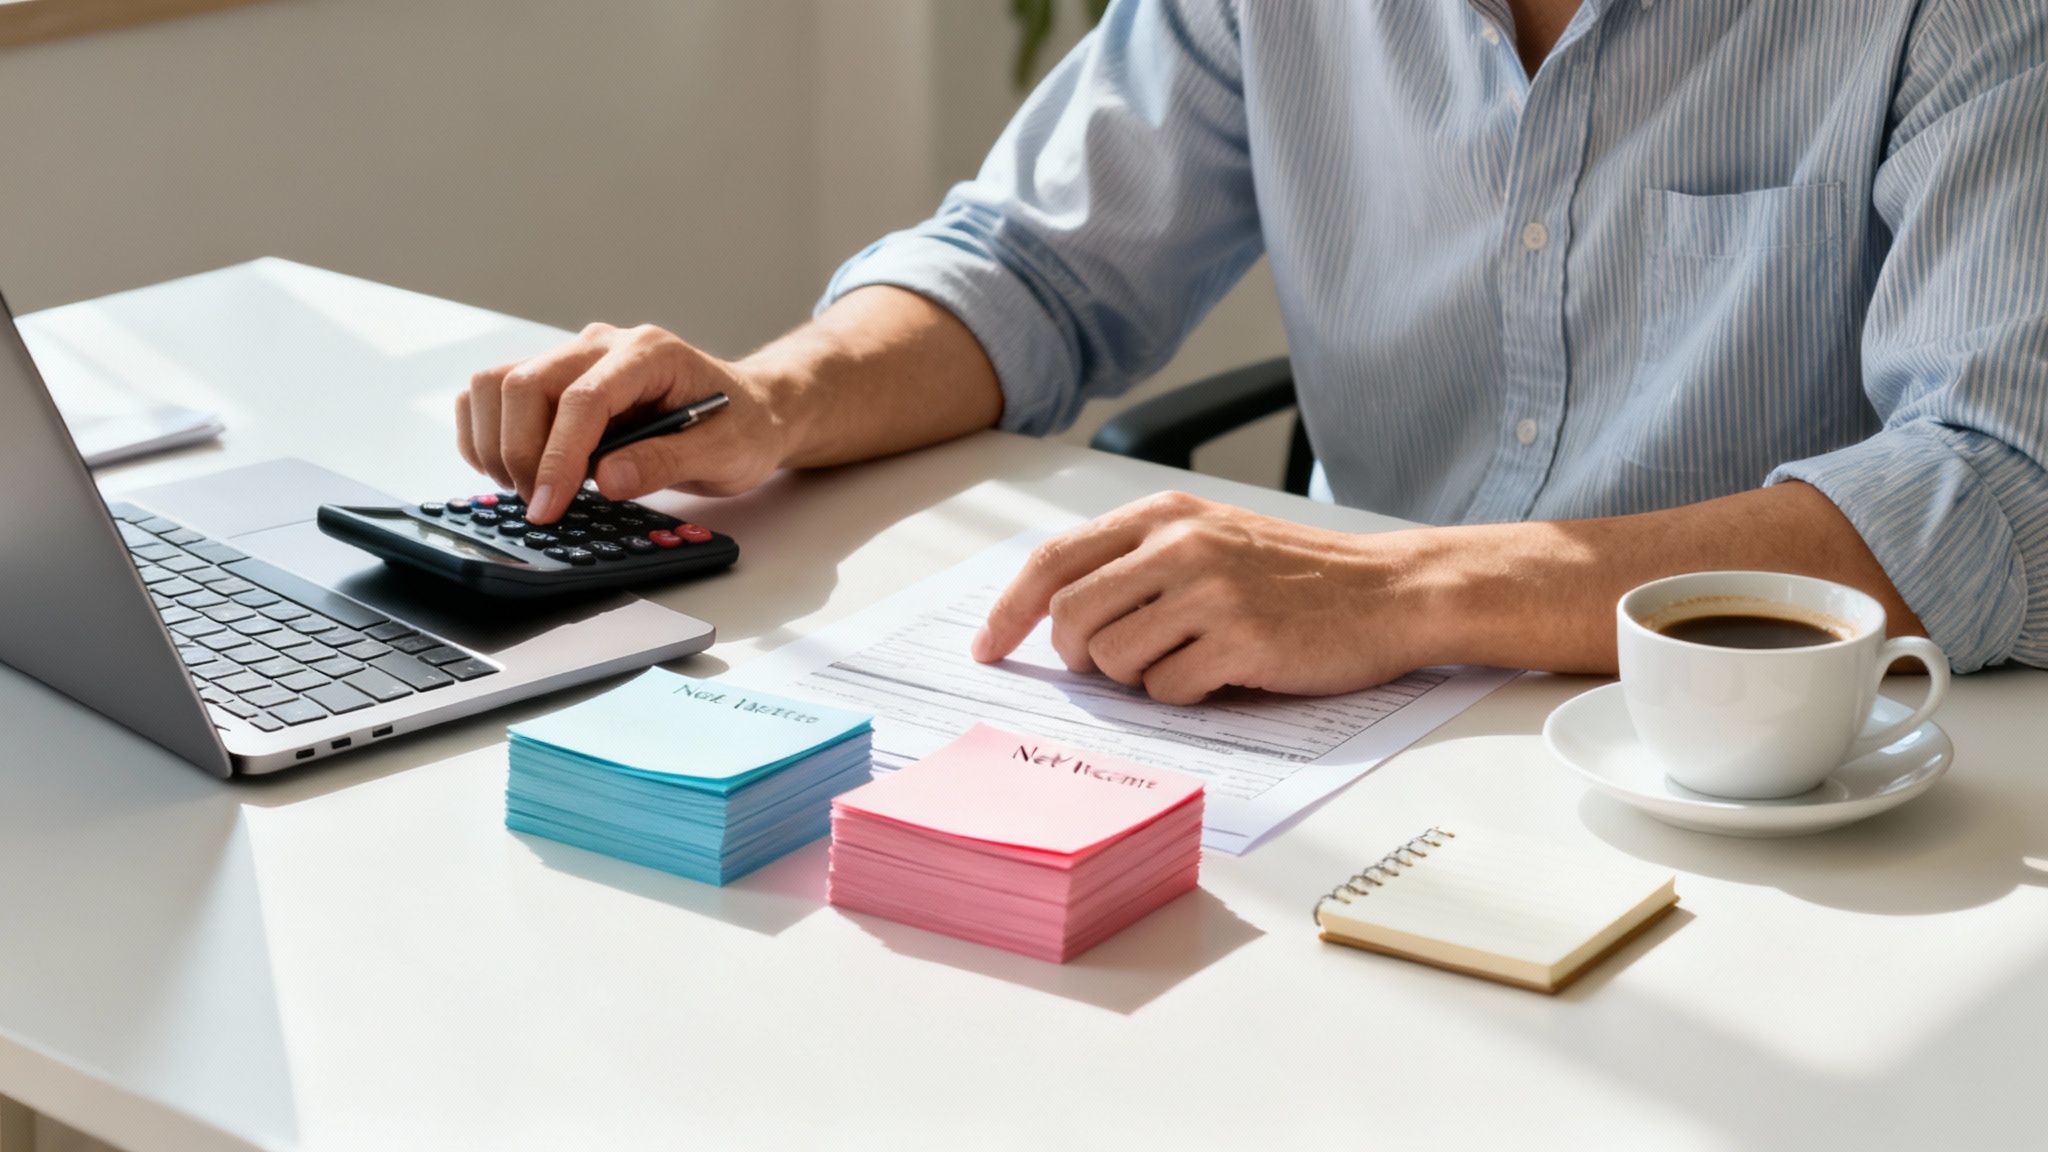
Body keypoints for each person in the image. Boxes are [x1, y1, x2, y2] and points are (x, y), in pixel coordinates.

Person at [456, 0, 2047, 705]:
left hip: (1781, 758)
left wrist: (1409, 592)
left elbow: (1996, 489)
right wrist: (777, 396)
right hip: (1339, 730)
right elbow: (1036, 266)